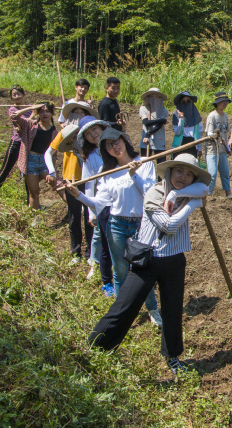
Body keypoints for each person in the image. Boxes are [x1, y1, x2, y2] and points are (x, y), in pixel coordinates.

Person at [87, 154, 210, 375]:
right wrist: (192, 204)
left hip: (175, 261)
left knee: (173, 312)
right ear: (169, 172)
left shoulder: (186, 192)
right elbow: (169, 226)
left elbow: (205, 189)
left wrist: (177, 194)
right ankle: (94, 347)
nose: (183, 177)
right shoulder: (154, 193)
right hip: (148, 260)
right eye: (179, 171)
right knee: (125, 306)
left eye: (189, 174)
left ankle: (172, 357)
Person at [67, 128, 161, 324]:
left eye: (116, 141)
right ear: (106, 151)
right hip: (116, 224)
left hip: (140, 225)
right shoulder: (107, 172)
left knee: (142, 269)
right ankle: (122, 316)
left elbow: (150, 194)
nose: (114, 147)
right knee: (119, 270)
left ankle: (152, 310)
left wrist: (134, 174)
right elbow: (98, 203)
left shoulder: (144, 163)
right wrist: (78, 195)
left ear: (124, 140)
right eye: (109, 146)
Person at [45, 122, 93, 264]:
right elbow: (48, 152)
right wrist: (52, 171)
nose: (77, 113)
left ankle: (90, 252)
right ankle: (76, 252)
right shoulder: (65, 133)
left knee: (90, 216)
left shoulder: (88, 132)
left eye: (81, 111)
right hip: (71, 179)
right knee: (74, 215)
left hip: (88, 179)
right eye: (75, 111)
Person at [75, 116, 114, 288]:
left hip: (120, 197)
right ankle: (94, 264)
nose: (93, 134)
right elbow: (89, 185)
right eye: (88, 133)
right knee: (99, 234)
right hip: (103, 199)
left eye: (94, 129)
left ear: (102, 128)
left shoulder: (114, 145)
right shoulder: (90, 157)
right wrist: (91, 212)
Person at [11, 102, 59, 210]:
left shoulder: (55, 132)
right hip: (31, 162)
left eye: (47, 111)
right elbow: (14, 116)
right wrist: (31, 108)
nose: (45, 114)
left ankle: (72, 210)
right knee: (34, 192)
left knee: (58, 185)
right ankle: (35, 216)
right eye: (41, 111)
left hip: (45, 162)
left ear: (52, 113)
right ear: (37, 113)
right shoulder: (30, 125)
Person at [0, 85, 30, 192]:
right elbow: (23, 124)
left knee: (27, 171)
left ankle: (30, 198)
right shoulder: (12, 109)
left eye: (19, 94)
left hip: (28, 143)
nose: (17, 97)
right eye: (14, 95)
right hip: (16, 143)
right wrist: (32, 110)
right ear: (11, 97)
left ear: (23, 95)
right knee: (6, 168)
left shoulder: (30, 108)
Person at [206, 92, 232, 196]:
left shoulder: (225, 116)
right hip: (212, 148)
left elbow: (226, 133)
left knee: (225, 172)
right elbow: (209, 133)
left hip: (222, 148)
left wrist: (227, 148)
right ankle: (208, 194)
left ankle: (228, 193)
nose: (225, 104)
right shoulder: (212, 116)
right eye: (222, 102)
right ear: (217, 103)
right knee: (212, 174)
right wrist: (217, 139)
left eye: (226, 102)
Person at [139, 87, 169, 163]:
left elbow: (159, 125)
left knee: (162, 163)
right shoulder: (144, 108)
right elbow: (146, 122)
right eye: (152, 96)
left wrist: (149, 133)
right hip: (146, 140)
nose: (155, 98)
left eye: (157, 96)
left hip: (159, 139)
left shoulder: (163, 110)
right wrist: (161, 120)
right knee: (145, 164)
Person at [172, 91, 203, 159]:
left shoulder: (196, 117)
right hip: (179, 145)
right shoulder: (176, 117)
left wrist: (200, 148)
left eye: (188, 101)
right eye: (183, 102)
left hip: (193, 145)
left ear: (191, 102)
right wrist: (181, 119)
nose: (186, 104)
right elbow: (177, 132)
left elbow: (199, 134)